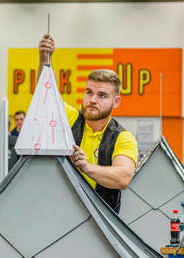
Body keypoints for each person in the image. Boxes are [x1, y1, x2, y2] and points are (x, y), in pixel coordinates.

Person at [38, 34, 138, 214]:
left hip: (102, 223)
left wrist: (86, 167)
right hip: (62, 213)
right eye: (89, 92)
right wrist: (45, 60)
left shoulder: (123, 138)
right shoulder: (71, 118)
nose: (92, 100)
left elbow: (123, 178)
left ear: (116, 102)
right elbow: (48, 95)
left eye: (102, 95)